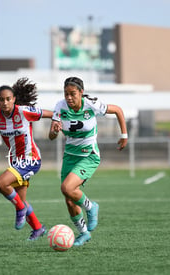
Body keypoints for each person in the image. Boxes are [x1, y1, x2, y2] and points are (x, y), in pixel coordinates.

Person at [48, 76, 128, 247]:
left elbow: (118, 111)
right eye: (66, 94)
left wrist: (124, 135)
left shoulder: (91, 104)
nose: (69, 98)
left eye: (73, 94)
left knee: (67, 188)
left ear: (81, 93)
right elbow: (51, 136)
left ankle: (91, 207)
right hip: (70, 155)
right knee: (69, 198)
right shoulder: (60, 106)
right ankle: (84, 233)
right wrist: (54, 131)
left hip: (89, 155)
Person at [0, 77, 53, 241]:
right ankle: (38, 228)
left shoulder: (23, 111)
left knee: (0, 183)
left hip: (31, 159)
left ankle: (19, 209)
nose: (5, 102)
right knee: (22, 200)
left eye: (8, 99)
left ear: (14, 99)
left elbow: (52, 114)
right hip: (16, 163)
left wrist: (58, 122)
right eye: (1, 99)